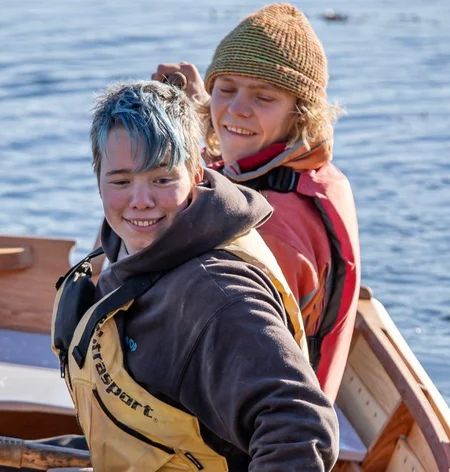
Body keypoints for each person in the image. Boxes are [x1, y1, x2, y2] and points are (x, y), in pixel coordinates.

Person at [0, 80, 338, 472]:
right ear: (98, 180)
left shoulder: (220, 297)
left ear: (197, 173)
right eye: (120, 181)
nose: (140, 201)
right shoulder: (139, 247)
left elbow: (300, 419)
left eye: (162, 179)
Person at [153, 3, 361, 402]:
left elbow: (226, 362)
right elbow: (234, 171)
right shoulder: (304, 174)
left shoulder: (273, 229)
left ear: (300, 114)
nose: (237, 109)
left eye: (264, 97)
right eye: (226, 89)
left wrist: (156, 156)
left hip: (247, 443)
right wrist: (200, 117)